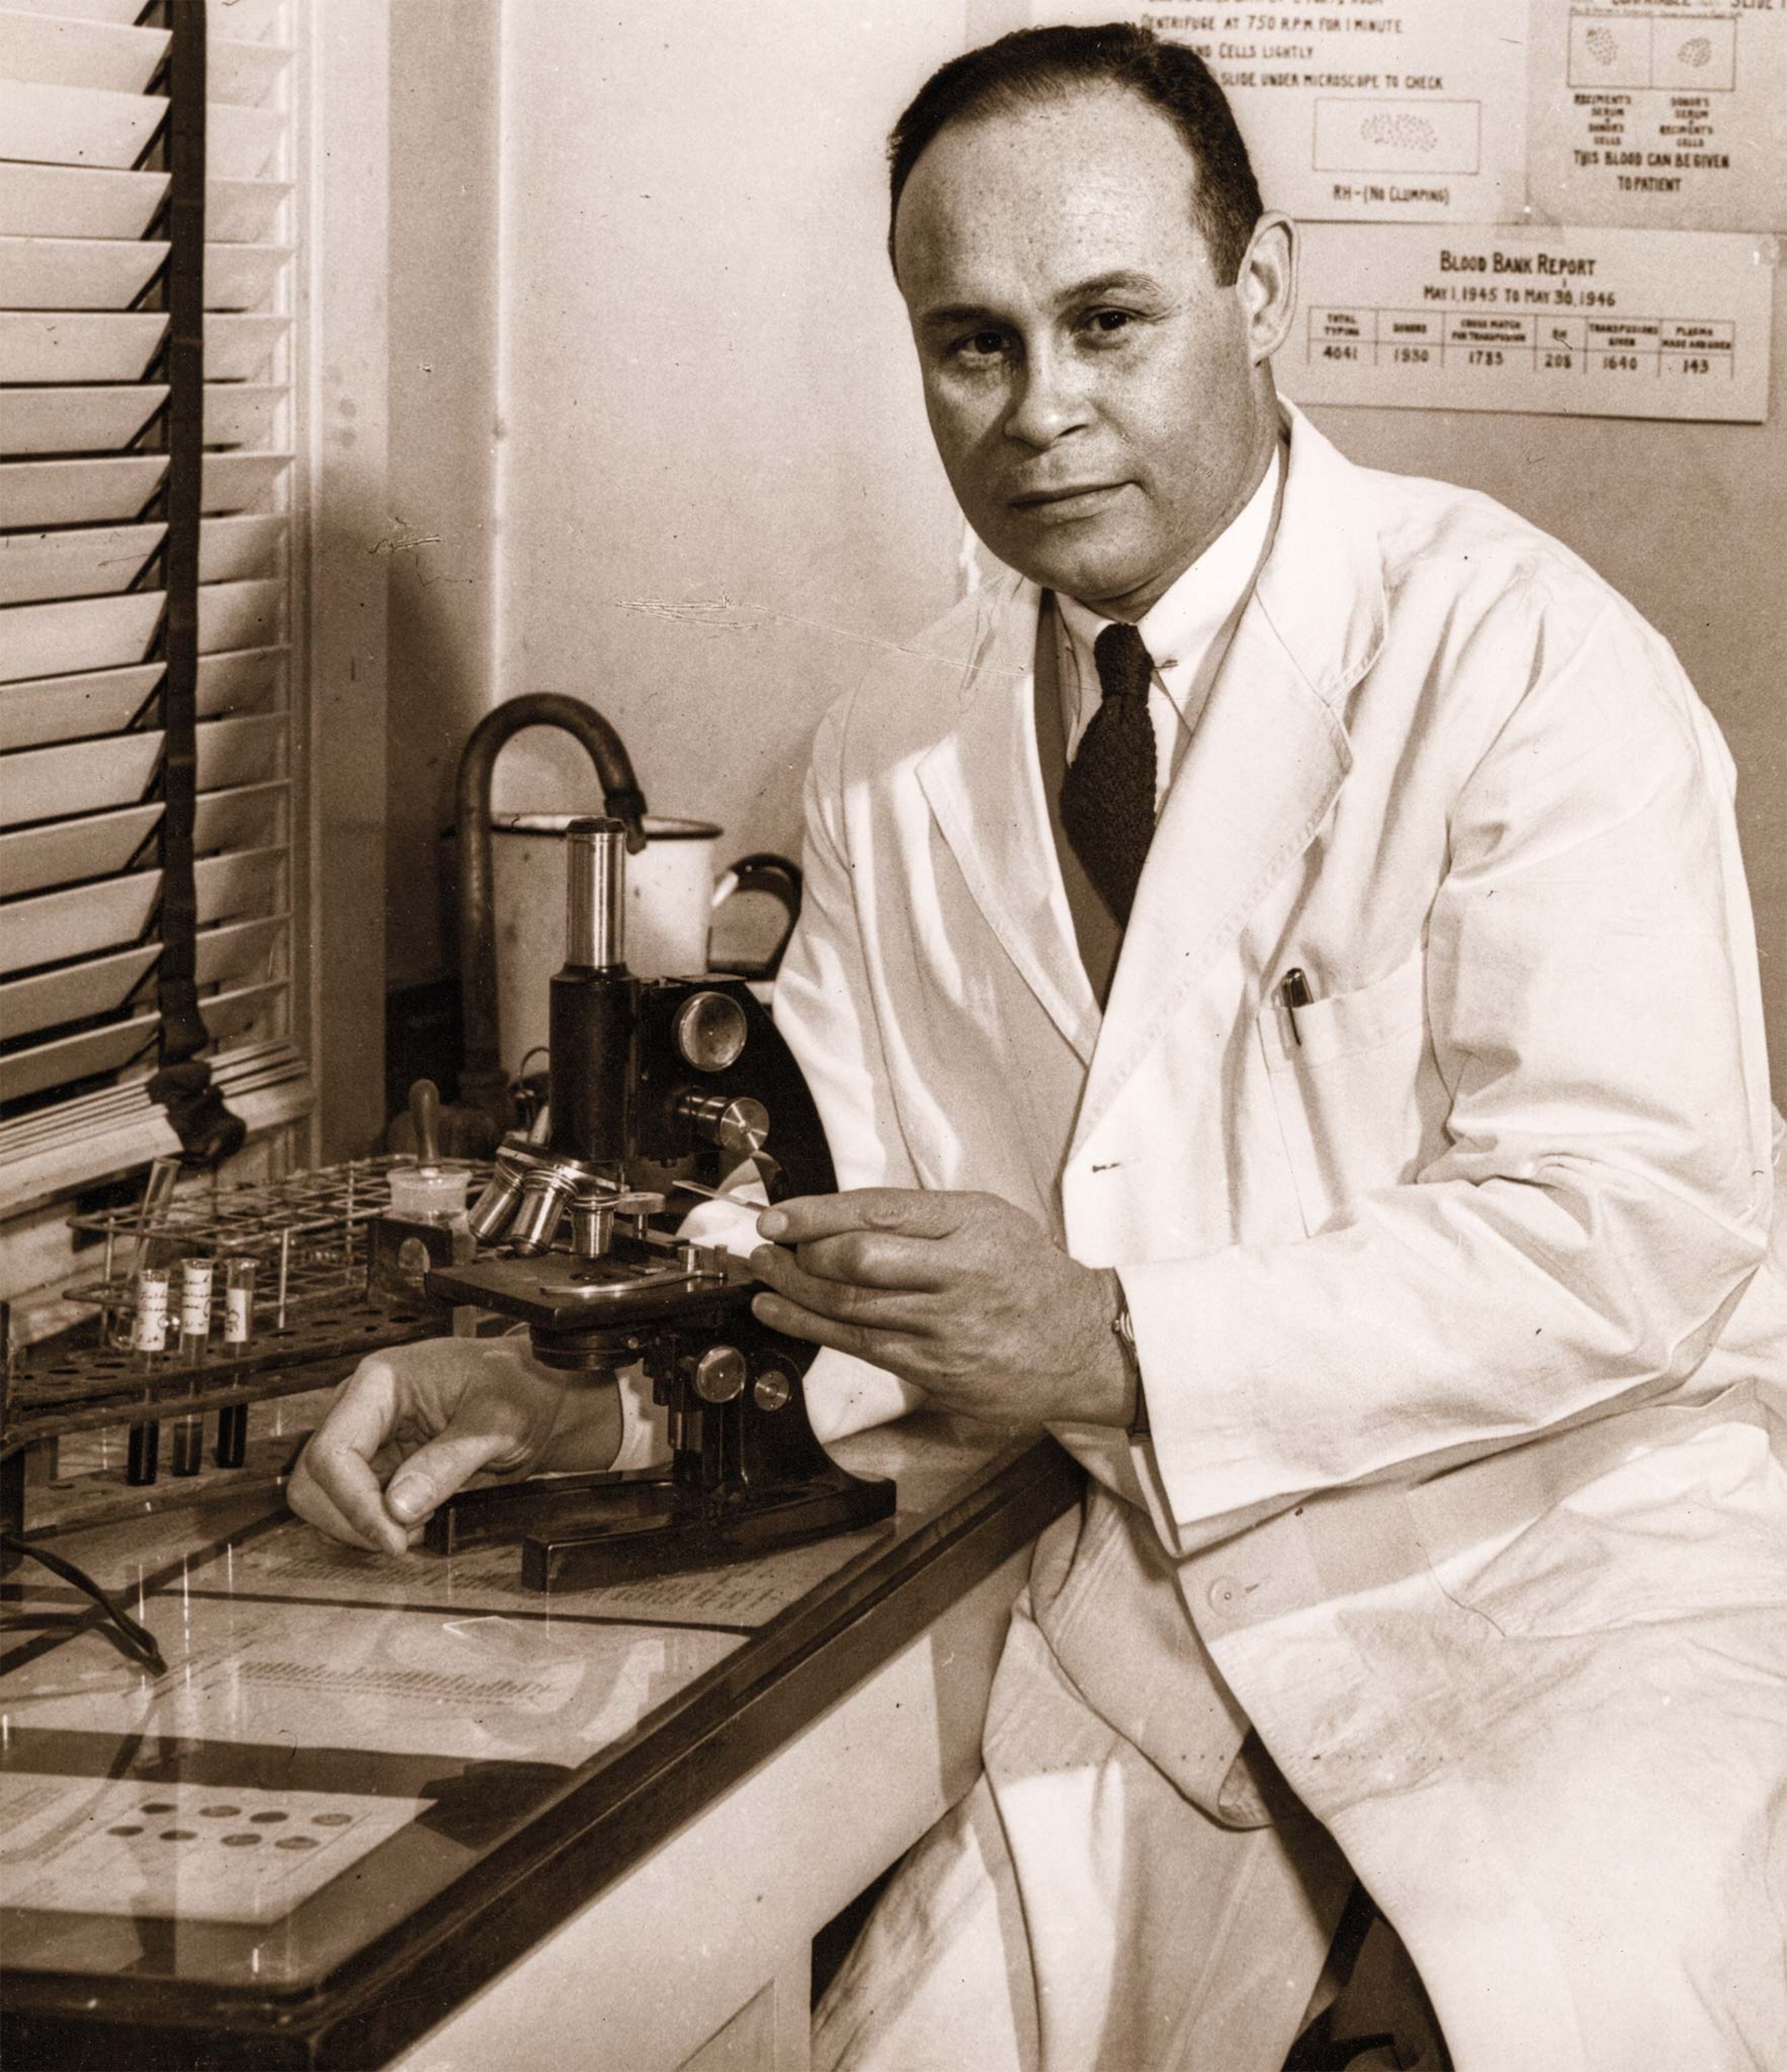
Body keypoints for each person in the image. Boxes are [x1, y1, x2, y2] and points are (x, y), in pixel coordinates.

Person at [293, 23, 1787, 2070]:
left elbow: (1634, 1224)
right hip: (1155, 1626)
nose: (1041, 413)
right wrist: (585, 1408)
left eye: (1108, 322)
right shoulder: (892, 750)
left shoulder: (1518, 655)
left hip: (1561, 1592)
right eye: (970, 345)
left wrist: (1108, 1339)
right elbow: (848, 1260)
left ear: (1261, 294)